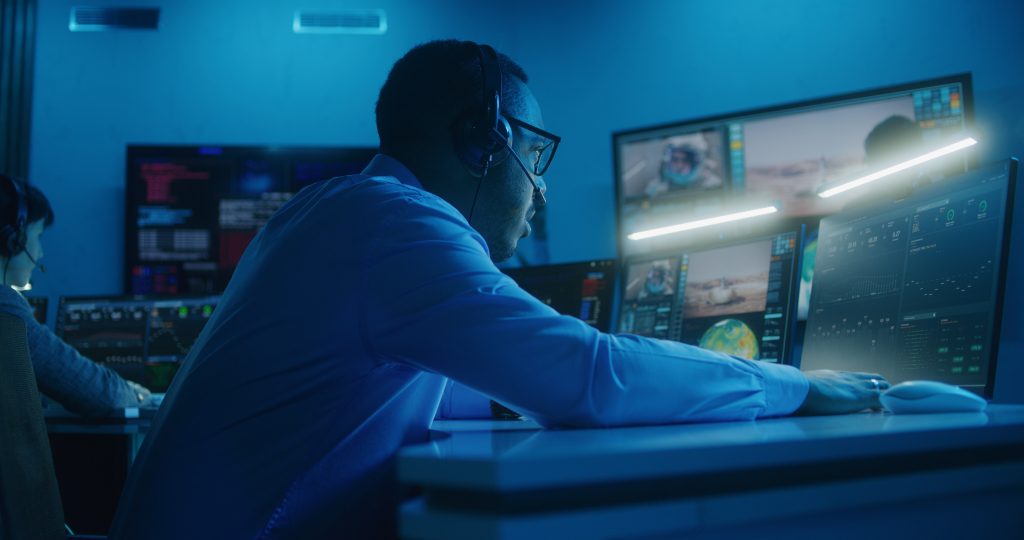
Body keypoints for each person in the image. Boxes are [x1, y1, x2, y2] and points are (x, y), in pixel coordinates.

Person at [111, 40, 889, 539]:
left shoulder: (331, 213)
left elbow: (452, 392)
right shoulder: (395, 222)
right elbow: (591, 379)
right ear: (486, 140)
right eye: (536, 159)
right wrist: (793, 386)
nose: (540, 192)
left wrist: (540, 372)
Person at [0, 174, 151, 414]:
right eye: (37, 236)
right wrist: (140, 395)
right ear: (13, 240)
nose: (39, 253)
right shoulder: (6, 309)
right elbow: (101, 394)